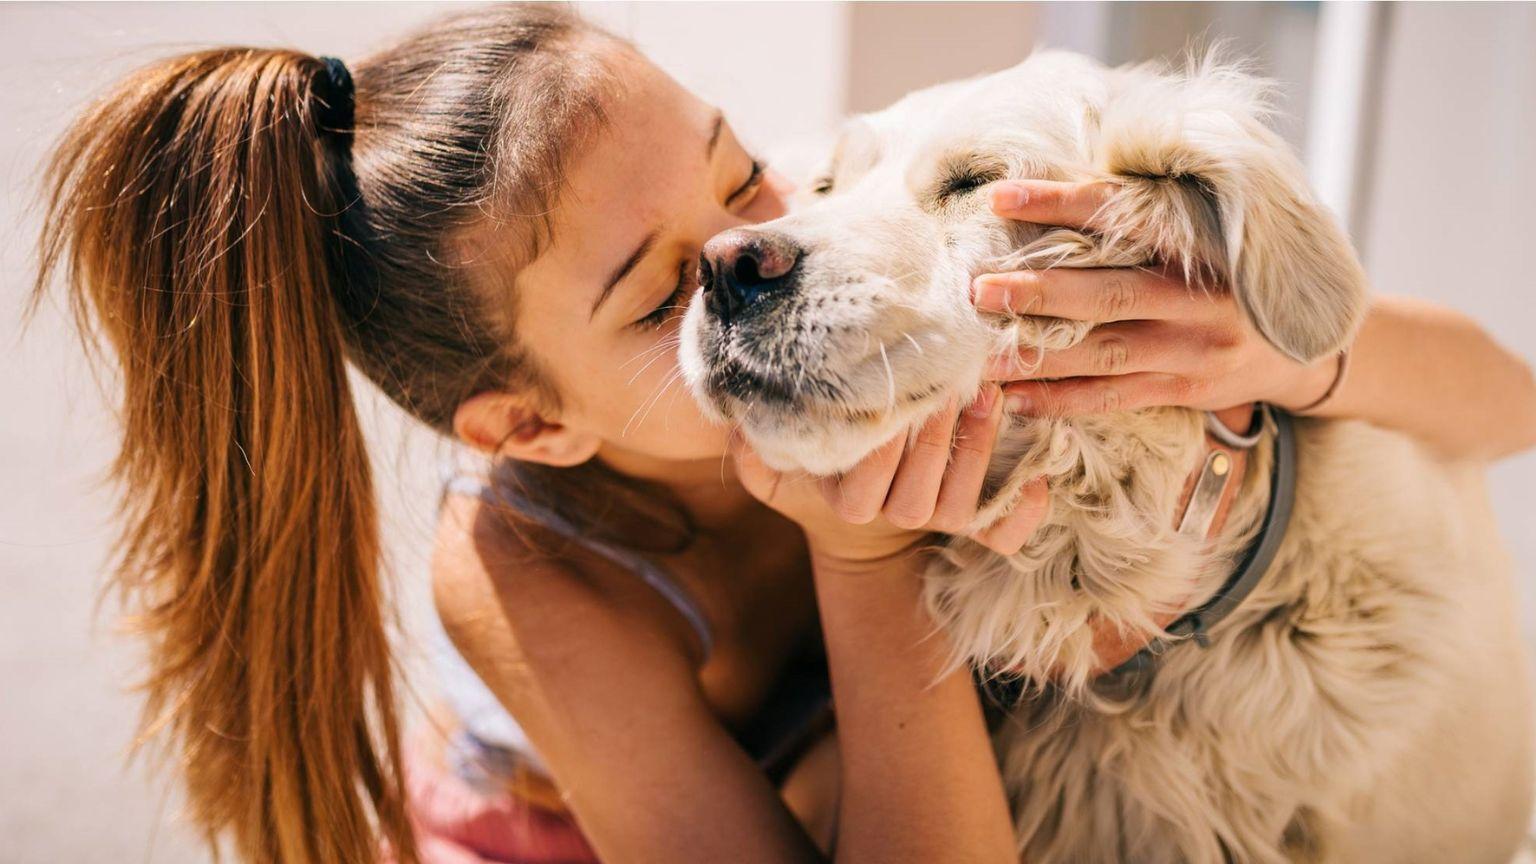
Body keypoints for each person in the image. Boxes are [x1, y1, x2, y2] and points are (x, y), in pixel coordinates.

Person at [32, 6, 1535, 863]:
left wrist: (1290, 348)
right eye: (653, 296)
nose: (761, 252)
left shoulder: (819, 252)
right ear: (532, 424)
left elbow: (1509, 406)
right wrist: (865, 557)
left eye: (742, 168)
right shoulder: (528, 571)